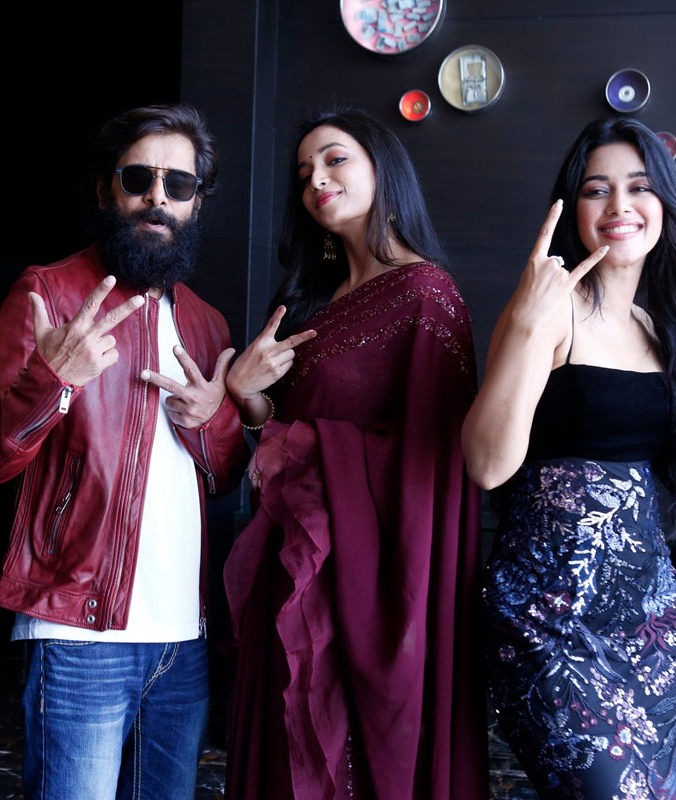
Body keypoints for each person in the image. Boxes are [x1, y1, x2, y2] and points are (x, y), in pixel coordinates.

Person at [463, 117, 676, 799]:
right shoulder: (549, 310)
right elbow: (485, 465)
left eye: (639, 187)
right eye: (597, 189)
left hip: (647, 627)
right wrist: (527, 325)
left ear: (665, 203)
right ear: (572, 209)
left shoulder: (658, 330)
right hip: (547, 623)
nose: (620, 205)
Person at [0, 104, 247, 800]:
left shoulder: (207, 323)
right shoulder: (48, 293)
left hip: (183, 639)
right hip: (77, 630)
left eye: (179, 184)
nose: (157, 197)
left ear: (197, 202)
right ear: (105, 189)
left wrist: (213, 420)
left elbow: (226, 477)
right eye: (138, 178)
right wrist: (52, 380)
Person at [222, 109, 488, 800]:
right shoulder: (314, 303)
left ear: (384, 170)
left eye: (335, 159)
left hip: (366, 585)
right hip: (293, 568)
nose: (316, 178)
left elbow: (432, 463)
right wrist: (247, 399)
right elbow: (284, 434)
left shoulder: (426, 294)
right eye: (304, 171)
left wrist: (299, 440)